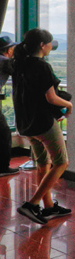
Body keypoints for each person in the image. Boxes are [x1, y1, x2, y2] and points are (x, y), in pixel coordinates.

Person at [13, 29, 73, 224]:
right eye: (49, 43)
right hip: (43, 123)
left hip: (26, 123)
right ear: (42, 45)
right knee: (61, 162)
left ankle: (48, 207)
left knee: (43, 163)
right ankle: (32, 203)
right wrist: (68, 105)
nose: (50, 46)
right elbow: (51, 97)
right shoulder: (42, 67)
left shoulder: (19, 64)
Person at [0, 36, 19, 177]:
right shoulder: (5, 61)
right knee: (4, 133)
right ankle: (3, 167)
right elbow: (20, 72)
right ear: (9, 50)